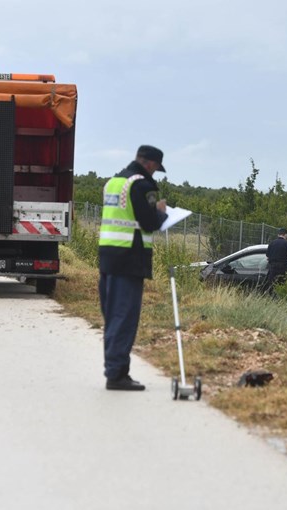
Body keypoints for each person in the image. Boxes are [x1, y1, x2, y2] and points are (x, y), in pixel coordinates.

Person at [98, 145, 168, 391]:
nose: (156, 173)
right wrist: (160, 212)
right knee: (124, 317)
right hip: (129, 259)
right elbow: (148, 222)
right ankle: (116, 375)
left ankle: (114, 369)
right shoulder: (142, 185)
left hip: (107, 257)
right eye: (157, 169)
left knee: (112, 317)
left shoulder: (114, 182)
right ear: (150, 164)